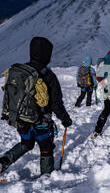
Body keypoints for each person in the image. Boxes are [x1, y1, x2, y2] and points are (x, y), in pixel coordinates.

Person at [0, 37, 72, 177]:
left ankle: (4, 161)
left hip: (20, 118)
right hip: (41, 121)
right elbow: (56, 104)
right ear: (47, 54)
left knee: (27, 143)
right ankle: (46, 178)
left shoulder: (21, 71)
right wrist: (65, 119)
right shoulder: (48, 75)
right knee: (45, 147)